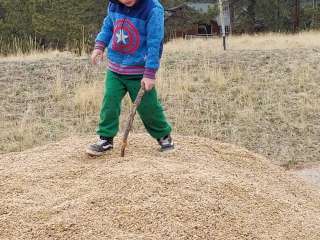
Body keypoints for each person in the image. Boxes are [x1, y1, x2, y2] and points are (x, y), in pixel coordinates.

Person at [86, 0, 174, 156]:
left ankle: (164, 136)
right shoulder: (113, 5)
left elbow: (155, 43)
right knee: (109, 103)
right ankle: (105, 139)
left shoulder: (153, 9)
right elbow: (108, 26)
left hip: (139, 71)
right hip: (115, 69)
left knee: (149, 107)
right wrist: (99, 46)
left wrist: (150, 73)